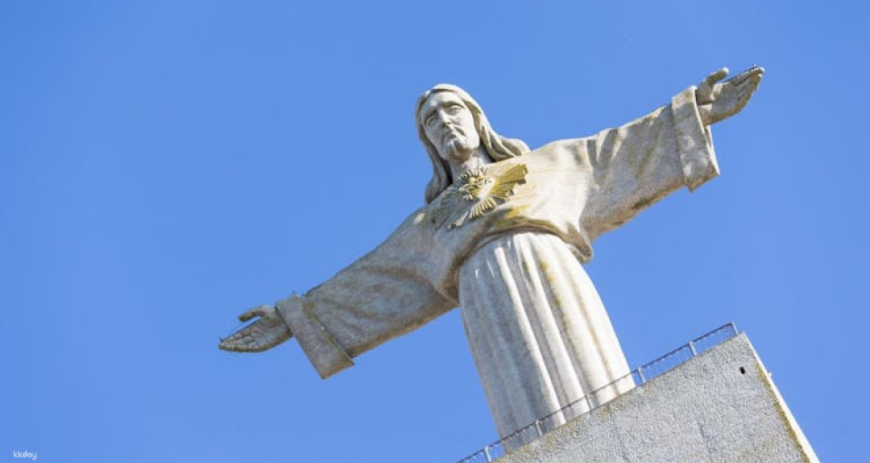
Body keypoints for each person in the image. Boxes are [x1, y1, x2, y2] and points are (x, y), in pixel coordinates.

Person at [220, 67, 764, 448]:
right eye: (431, 122)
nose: (443, 123)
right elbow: (370, 280)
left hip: (551, 268)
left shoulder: (551, 164)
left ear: (477, 118)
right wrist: (293, 319)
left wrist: (693, 114)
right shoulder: (426, 225)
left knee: (607, 399)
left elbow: (617, 149)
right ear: (428, 143)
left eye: (451, 110)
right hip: (486, 299)